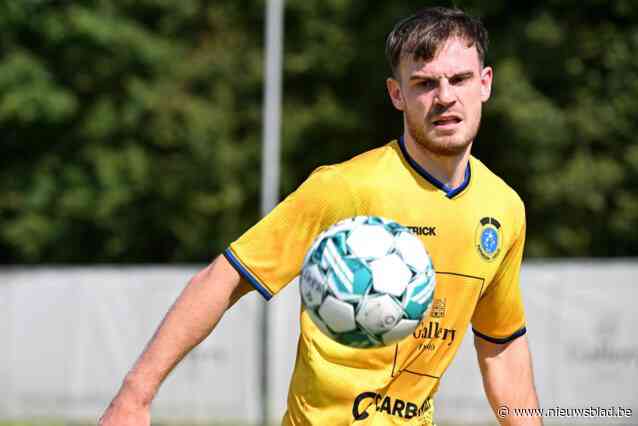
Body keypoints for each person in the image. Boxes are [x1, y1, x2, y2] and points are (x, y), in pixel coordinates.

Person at [100, 6, 541, 426]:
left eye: (459, 79)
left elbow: (501, 346)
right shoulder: (346, 187)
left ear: (484, 83)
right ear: (397, 94)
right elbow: (223, 279)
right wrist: (135, 395)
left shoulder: (503, 208)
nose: (445, 97)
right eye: (425, 83)